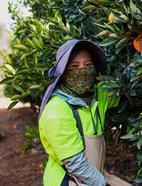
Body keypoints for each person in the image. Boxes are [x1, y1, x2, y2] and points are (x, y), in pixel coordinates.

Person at [38, 39, 131, 186]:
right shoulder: (56, 110)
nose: (82, 71)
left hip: (95, 174)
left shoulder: (97, 96)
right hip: (71, 179)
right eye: (74, 66)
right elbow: (76, 164)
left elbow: (127, 85)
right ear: (63, 73)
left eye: (88, 65)